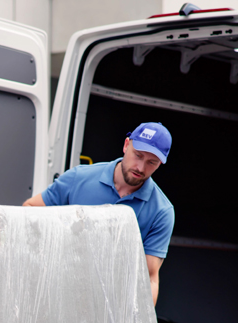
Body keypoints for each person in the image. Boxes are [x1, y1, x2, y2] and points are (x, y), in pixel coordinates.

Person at [23, 122, 174, 305]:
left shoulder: (162, 211)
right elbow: (29, 211)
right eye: (138, 155)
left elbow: (149, 278)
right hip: (55, 295)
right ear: (126, 145)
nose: (140, 168)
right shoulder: (78, 178)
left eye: (152, 162)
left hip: (107, 308)